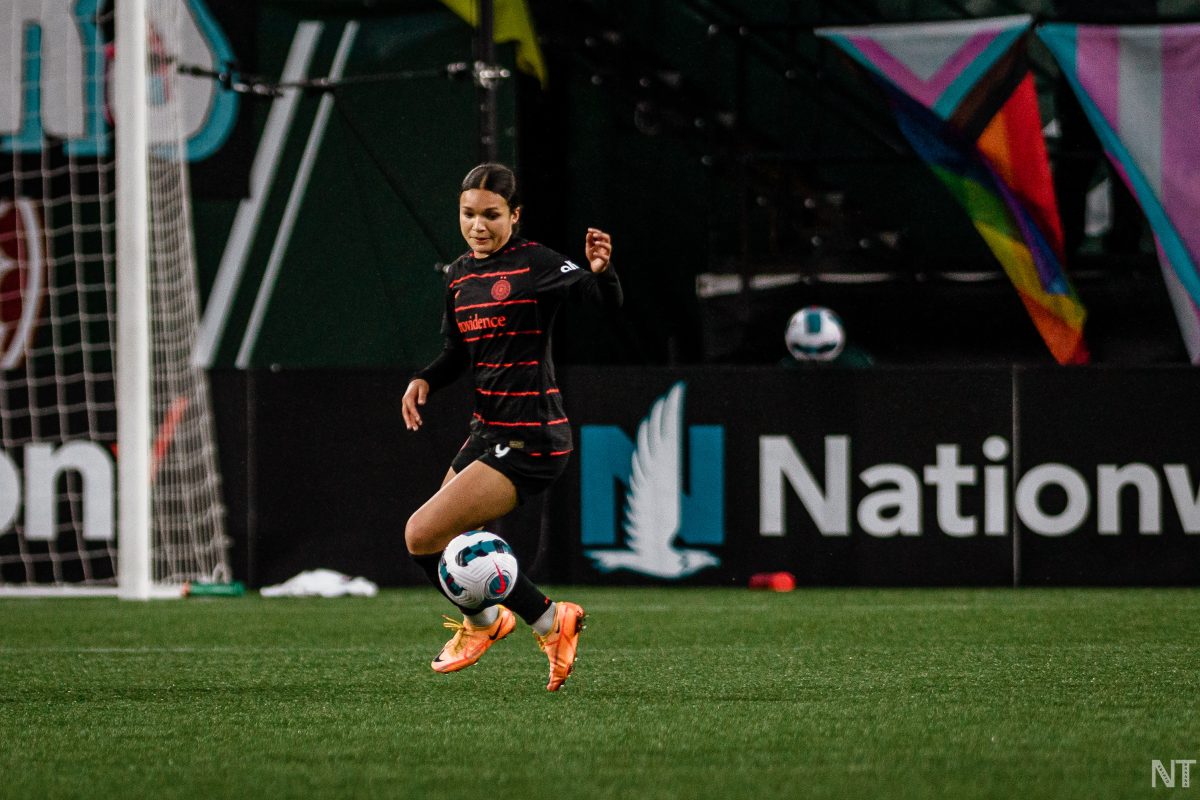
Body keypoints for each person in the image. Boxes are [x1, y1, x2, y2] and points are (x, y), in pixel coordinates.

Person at [401, 162, 622, 691]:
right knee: (441, 544)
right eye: (468, 214)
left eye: (492, 215)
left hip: (533, 437)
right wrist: (425, 379)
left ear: (514, 216)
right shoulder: (458, 275)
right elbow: (458, 351)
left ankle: (536, 619)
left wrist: (601, 270)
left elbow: (603, 305)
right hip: (487, 432)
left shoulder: (535, 264)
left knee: (421, 535)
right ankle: (498, 621)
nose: (479, 225)